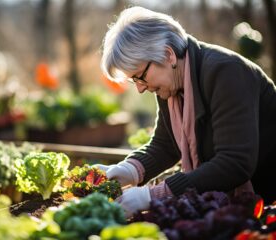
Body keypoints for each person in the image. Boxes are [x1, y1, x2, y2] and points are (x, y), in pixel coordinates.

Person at [96, 6, 276, 218]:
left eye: (139, 76)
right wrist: (130, 169)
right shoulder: (171, 81)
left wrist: (153, 195)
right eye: (133, 80)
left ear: (168, 55)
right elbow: (166, 144)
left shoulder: (226, 72)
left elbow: (234, 163)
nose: (140, 87)